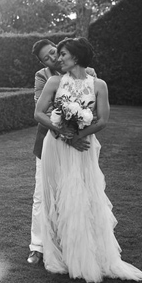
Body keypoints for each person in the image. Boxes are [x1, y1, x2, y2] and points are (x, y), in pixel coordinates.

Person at [33, 37, 142, 283]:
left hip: (83, 148)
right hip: (55, 146)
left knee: (83, 196)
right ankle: (57, 252)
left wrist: (79, 135)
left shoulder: (99, 84)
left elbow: (102, 120)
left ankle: (85, 254)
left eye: (63, 54)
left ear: (75, 57)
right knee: (54, 197)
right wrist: (66, 134)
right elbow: (38, 113)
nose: (58, 59)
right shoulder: (54, 81)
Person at [27, 39, 96, 265]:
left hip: (79, 144)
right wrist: (65, 131)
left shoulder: (90, 72)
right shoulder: (43, 76)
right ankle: (37, 246)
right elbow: (44, 109)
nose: (53, 58)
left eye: (54, 52)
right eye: (46, 58)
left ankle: (73, 243)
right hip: (49, 141)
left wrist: (77, 135)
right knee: (43, 194)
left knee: (76, 191)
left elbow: (92, 108)